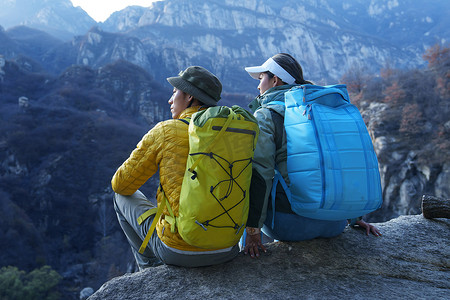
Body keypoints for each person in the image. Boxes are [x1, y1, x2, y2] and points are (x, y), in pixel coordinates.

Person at [242, 53, 382, 258]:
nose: (258, 86)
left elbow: (260, 174)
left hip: (291, 225)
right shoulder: (319, 109)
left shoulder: (266, 115)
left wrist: (253, 232)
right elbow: (344, 160)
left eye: (261, 77)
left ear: (275, 80)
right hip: (335, 222)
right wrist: (354, 217)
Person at [112, 66, 240, 269]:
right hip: (228, 247)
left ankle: (149, 272)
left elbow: (120, 184)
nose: (170, 101)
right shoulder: (235, 133)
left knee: (120, 197)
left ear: (189, 97)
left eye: (174, 93)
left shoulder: (166, 131)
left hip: (179, 250)